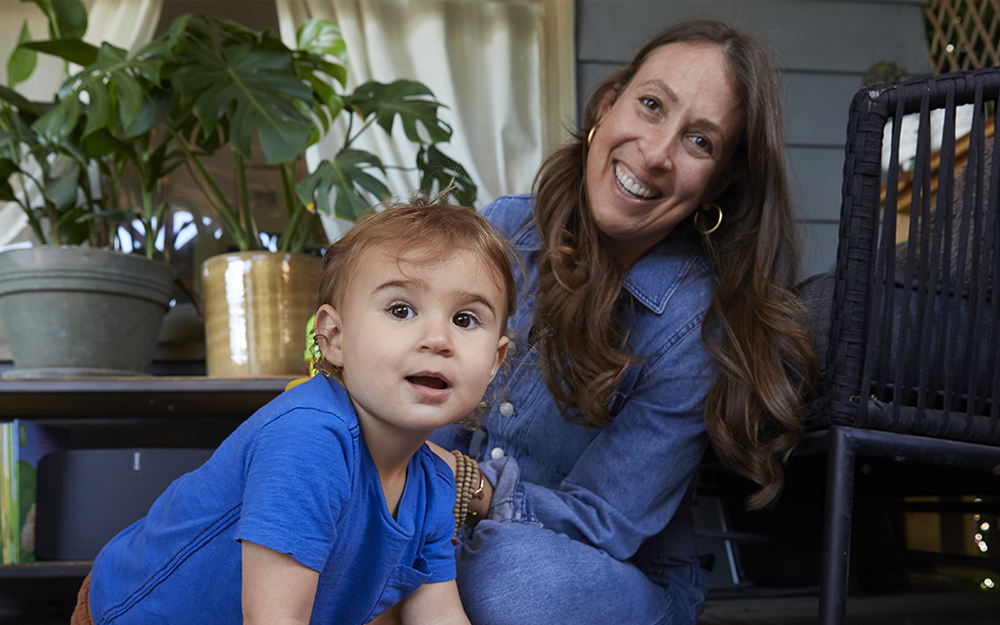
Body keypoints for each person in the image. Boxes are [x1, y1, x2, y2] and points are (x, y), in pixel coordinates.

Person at [429, 18, 818, 625]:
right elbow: (430, 392)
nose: (658, 153)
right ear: (606, 109)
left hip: (612, 575)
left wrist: (464, 490)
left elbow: (606, 523)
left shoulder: (698, 325)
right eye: (651, 105)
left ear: (720, 184)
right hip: (445, 531)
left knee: (502, 574)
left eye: (701, 143)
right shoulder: (504, 230)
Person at [72, 202, 516, 625]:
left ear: (495, 362)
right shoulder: (310, 437)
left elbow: (437, 614)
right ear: (333, 337)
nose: (438, 338)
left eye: (465, 319)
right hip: (130, 613)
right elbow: (274, 618)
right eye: (401, 310)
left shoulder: (434, 484)